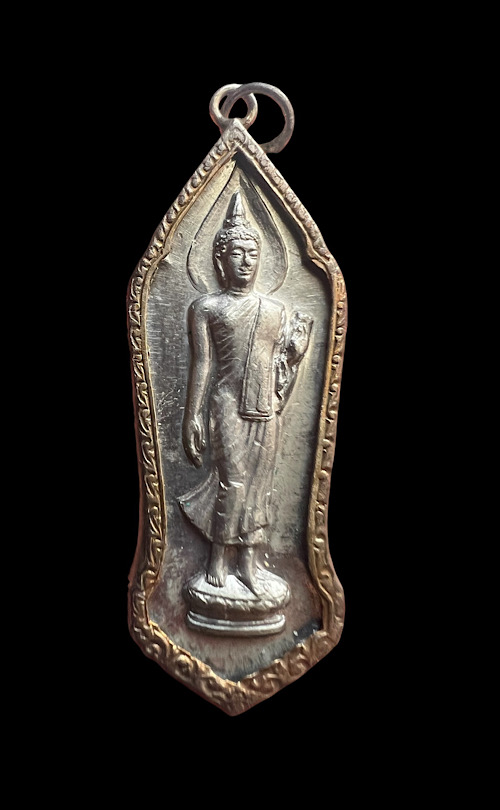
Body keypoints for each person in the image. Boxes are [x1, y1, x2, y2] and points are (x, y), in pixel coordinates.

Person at [179, 191, 312, 595]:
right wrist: (192, 414)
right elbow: (202, 364)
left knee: (260, 486)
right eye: (236, 253)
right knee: (234, 481)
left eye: (252, 254)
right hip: (227, 403)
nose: (246, 261)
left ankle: (250, 565)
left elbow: (280, 370)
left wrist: (294, 353)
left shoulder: (274, 311)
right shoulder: (206, 308)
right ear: (220, 259)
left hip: (265, 407)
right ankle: (218, 558)